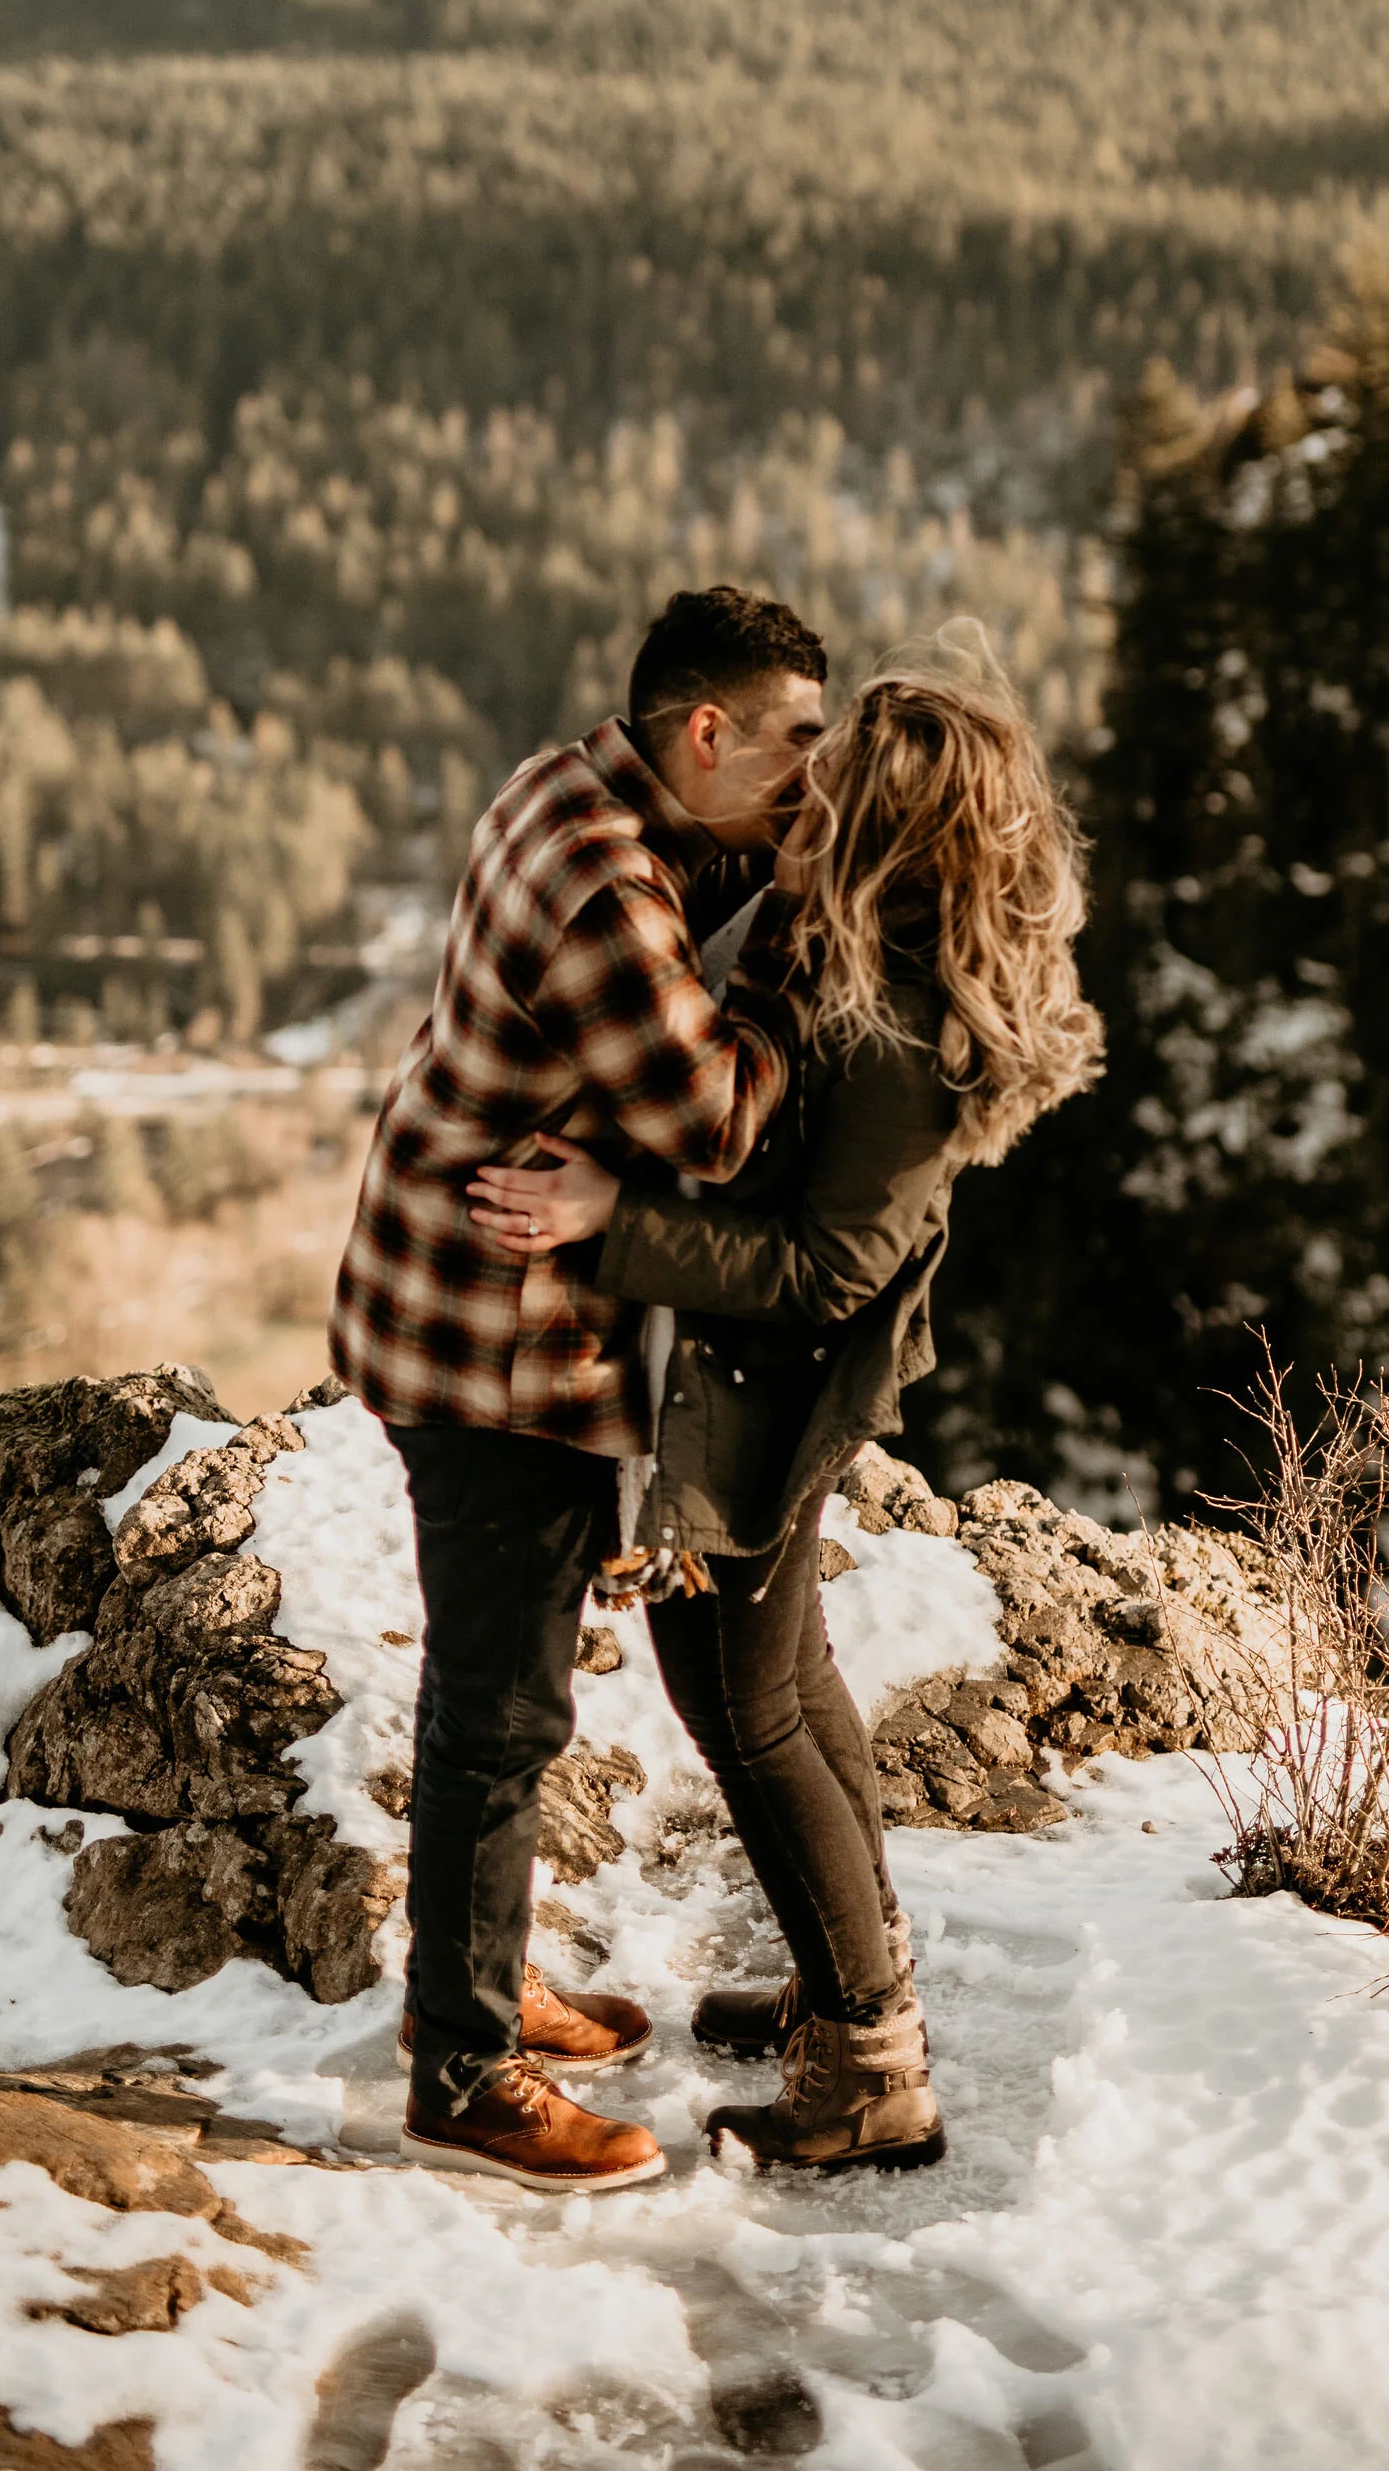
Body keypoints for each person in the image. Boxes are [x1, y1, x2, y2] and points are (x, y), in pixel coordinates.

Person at [469, 650, 1104, 2175]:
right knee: (785, 1673)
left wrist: (609, 1222)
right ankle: (847, 1978)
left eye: (840, 769)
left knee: (744, 1709)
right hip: (759, 1374)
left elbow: (830, 1266)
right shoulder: (872, 942)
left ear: (888, 815)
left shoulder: (900, 1011)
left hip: (776, 1384)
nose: (806, 782)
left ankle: (872, 2067)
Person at [332, 584, 828, 2194]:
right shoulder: (611, 889)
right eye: (795, 749)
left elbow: (709, 861)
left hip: (437, 1290)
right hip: (496, 1338)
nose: (810, 788)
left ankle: (481, 1984)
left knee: (502, 1688)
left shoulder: (567, 780)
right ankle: (464, 2066)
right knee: (502, 1703)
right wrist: (802, 945)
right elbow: (714, 1123)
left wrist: (771, 857)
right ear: (704, 734)